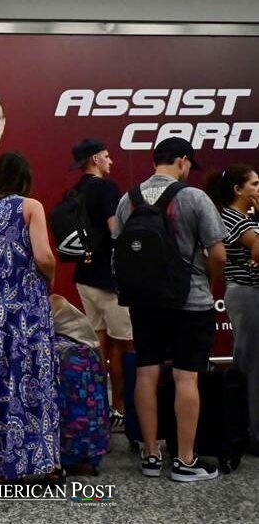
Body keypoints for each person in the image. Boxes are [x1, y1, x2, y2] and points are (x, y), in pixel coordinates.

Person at [114, 136, 226, 482]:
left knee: (146, 371)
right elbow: (218, 254)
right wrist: (209, 285)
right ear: (182, 162)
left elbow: (121, 251)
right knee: (185, 375)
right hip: (189, 301)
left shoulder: (127, 200)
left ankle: (150, 455)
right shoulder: (194, 197)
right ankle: (185, 461)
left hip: (144, 302)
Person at [0, 152, 60, 482]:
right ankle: (34, 462)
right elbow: (44, 255)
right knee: (29, 379)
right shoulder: (31, 207)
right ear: (24, 177)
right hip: (24, 310)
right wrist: (51, 276)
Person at [68, 138, 133, 432]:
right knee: (123, 344)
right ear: (94, 159)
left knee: (98, 345)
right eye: (107, 156)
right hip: (110, 279)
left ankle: (96, 407)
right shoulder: (106, 189)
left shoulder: (73, 191)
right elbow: (115, 230)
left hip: (84, 276)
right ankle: (119, 407)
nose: (111, 161)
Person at [205, 163, 259, 452]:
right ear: (238, 190)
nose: (258, 190)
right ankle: (252, 433)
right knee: (252, 364)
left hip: (251, 292)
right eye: (255, 184)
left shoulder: (245, 219)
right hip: (248, 294)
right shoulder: (233, 218)